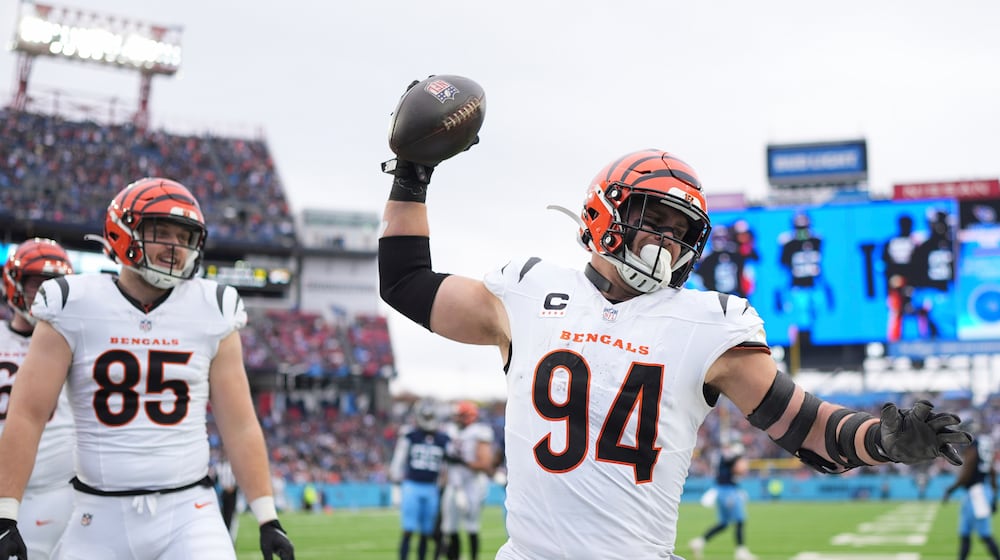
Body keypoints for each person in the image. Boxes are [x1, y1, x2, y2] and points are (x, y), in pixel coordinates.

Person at [377, 132, 972, 558]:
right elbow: (404, 282)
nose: (667, 241)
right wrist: (411, 175)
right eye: (654, 220)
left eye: (681, 232)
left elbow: (808, 425)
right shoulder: (528, 289)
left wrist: (884, 439)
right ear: (603, 210)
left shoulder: (710, 323)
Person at [0, 178, 294, 560]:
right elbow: (27, 414)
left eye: (184, 236)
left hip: (189, 511)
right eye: (160, 232)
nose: (174, 247)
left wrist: (268, 517)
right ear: (123, 231)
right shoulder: (72, 302)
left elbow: (239, 423)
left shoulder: (213, 306)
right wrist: (7, 513)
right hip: (96, 512)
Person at [0, 239, 75, 559]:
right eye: (36, 283)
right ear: (14, 283)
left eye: (54, 284)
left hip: (58, 490)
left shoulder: (77, 341)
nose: (46, 293)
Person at [389, 400, 451, 560]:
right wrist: (396, 484)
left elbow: (449, 465)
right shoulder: (410, 435)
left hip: (431, 487)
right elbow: (398, 461)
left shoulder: (443, 438)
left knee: (426, 531)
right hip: (412, 486)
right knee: (408, 529)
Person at [439, 401, 495, 560]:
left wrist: (462, 462)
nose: (457, 418)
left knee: (472, 525)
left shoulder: (480, 432)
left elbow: (485, 463)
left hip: (472, 483)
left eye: (461, 415)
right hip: (453, 484)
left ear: (470, 416)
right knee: (450, 527)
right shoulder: (449, 430)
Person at [942, 419, 999, 560]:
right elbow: (991, 471)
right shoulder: (984, 445)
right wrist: (994, 496)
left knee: (985, 535)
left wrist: (951, 489)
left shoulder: (973, 447)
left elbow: (967, 474)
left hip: (977, 494)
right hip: (977, 493)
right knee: (964, 534)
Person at [689, 442, 756, 560]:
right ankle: (740, 551)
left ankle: (699, 542)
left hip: (724, 490)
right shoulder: (728, 458)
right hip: (728, 492)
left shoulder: (724, 458)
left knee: (724, 524)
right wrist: (739, 458)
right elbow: (738, 468)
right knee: (740, 520)